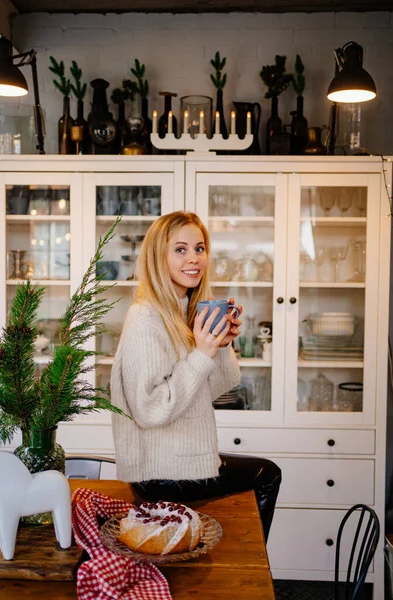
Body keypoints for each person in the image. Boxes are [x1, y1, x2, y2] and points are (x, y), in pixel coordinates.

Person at [111, 211, 281, 541]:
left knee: (262, 473)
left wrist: (220, 345)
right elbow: (149, 410)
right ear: (158, 257)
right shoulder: (146, 317)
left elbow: (216, 386)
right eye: (180, 249)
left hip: (177, 460)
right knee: (266, 474)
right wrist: (202, 353)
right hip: (161, 472)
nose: (194, 259)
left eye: (199, 248)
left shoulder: (182, 310)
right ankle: (254, 561)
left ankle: (245, 558)